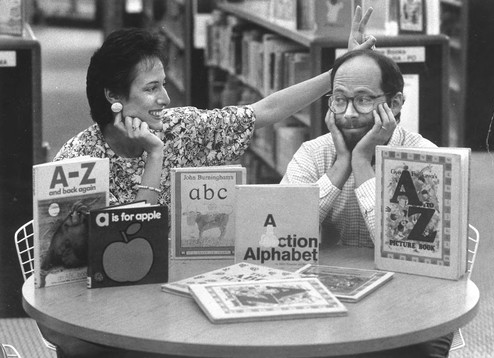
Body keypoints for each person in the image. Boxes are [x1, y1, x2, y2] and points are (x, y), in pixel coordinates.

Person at [46, 6, 376, 358]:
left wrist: (339, 73)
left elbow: (262, 112)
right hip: (108, 308)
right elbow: (132, 250)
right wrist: (154, 157)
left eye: (163, 85)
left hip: (173, 296)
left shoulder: (181, 128)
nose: (166, 99)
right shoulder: (78, 164)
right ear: (114, 97)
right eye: (152, 88)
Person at [280, 48, 453, 357]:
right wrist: (339, 166)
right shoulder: (313, 153)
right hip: (327, 300)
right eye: (339, 99)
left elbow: (407, 254)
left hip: (405, 305)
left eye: (362, 100)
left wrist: (361, 162)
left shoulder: (424, 159)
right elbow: (281, 235)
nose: (347, 113)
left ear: (396, 103)